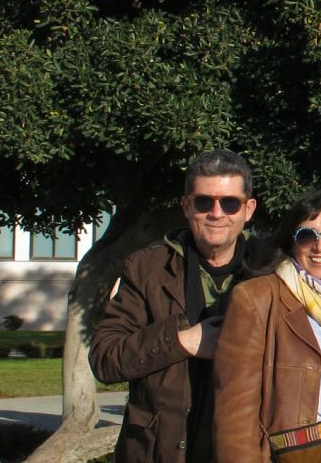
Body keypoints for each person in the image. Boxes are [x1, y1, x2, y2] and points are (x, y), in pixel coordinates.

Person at [91, 148, 258, 463]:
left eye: (230, 203)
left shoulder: (270, 268)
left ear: (248, 209)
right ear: (186, 206)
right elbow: (105, 357)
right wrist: (182, 341)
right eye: (204, 202)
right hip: (161, 451)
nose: (217, 213)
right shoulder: (147, 269)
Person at [216, 189, 321, 462]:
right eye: (307, 236)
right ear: (292, 242)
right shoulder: (258, 298)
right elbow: (235, 411)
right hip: (304, 456)